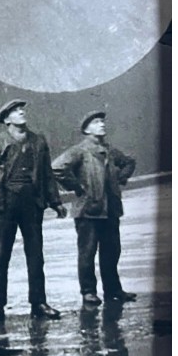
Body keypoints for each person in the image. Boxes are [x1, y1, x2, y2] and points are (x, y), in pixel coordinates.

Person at [0, 100, 67, 323]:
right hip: (4, 205)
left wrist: (55, 202)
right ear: (7, 120)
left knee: (36, 256)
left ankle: (39, 303)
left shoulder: (38, 141)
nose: (21, 112)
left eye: (22, 109)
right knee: (1, 257)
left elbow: (46, 173)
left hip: (31, 204)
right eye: (15, 111)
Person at [52, 110, 137, 306]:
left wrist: (121, 177)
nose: (102, 125)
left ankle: (113, 290)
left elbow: (129, 162)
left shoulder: (109, 150)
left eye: (102, 122)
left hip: (111, 209)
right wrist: (77, 187)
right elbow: (57, 168)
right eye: (97, 122)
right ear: (87, 129)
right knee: (87, 253)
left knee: (112, 251)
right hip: (88, 210)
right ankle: (88, 292)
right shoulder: (79, 151)